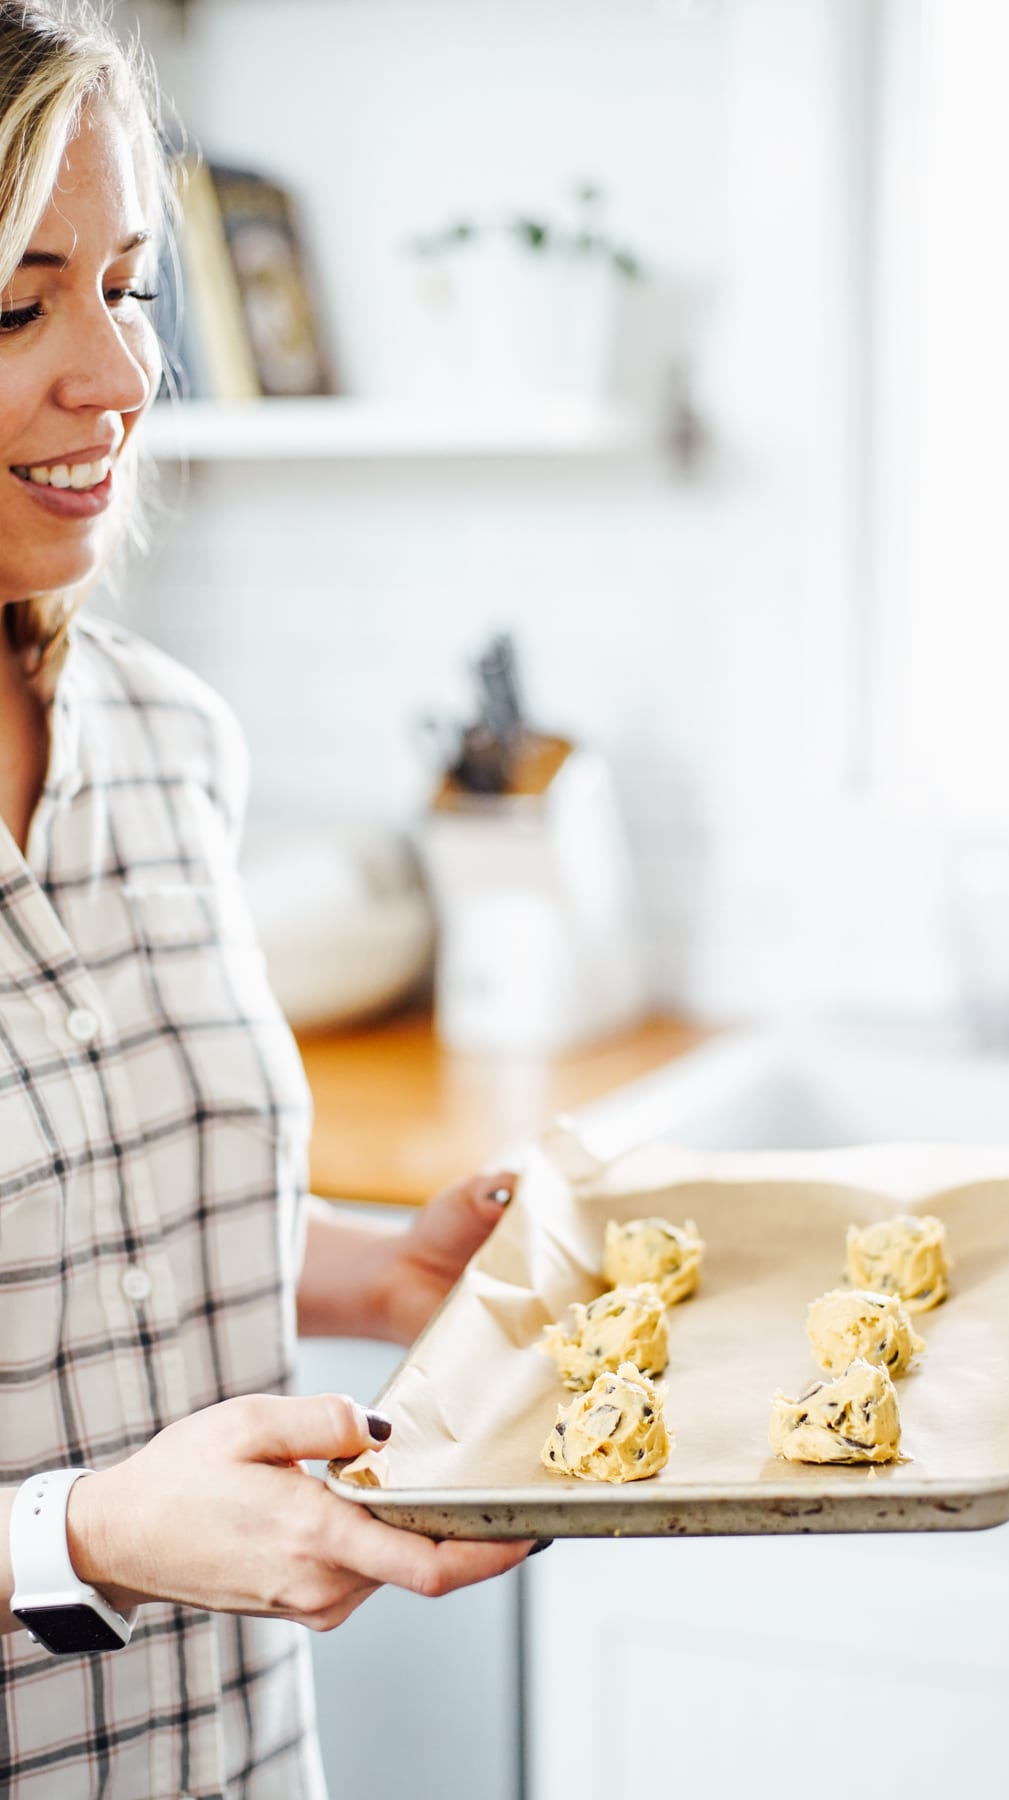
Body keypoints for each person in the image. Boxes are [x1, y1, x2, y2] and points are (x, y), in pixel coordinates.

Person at [0, 4, 534, 1793]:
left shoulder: (169, 742)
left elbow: (87, 1210)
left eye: (132, 287)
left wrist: (377, 1280)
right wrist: (81, 1538)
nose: (121, 376)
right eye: (21, 303)